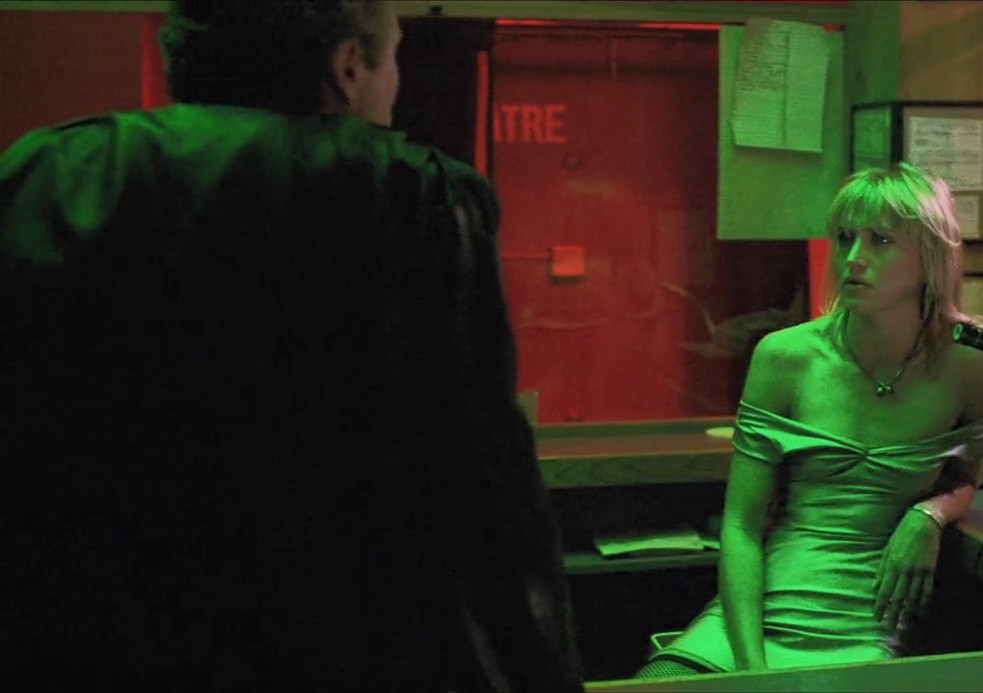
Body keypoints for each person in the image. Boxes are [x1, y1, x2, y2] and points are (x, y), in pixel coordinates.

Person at [0, 1, 582, 689]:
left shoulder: (49, 172)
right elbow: (481, 484)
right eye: (394, 58)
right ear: (348, 66)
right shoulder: (411, 190)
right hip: (337, 646)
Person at [636, 163, 983, 677]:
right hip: (757, 615)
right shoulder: (785, 357)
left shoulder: (973, 362)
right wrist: (753, 671)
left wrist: (928, 516)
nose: (853, 259)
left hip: (864, 624)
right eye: (845, 238)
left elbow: (964, 478)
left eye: (881, 241)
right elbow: (741, 526)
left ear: (930, 257)